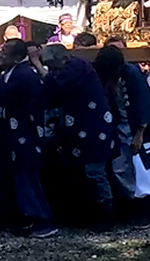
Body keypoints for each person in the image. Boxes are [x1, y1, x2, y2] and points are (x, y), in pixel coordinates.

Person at [32, 44, 117, 229]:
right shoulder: (75, 66)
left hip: (93, 126)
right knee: (81, 171)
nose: (51, 71)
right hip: (79, 127)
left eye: (52, 66)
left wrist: (37, 64)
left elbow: (52, 85)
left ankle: (107, 213)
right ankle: (90, 214)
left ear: (61, 60)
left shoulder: (76, 67)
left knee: (94, 171)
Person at [0, 39, 57, 238]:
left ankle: (43, 220)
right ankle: (31, 218)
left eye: (5, 53)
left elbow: (1, 95)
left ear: (17, 57)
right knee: (22, 179)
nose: (1, 55)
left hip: (26, 134)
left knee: (28, 179)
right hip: (17, 133)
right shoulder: (16, 73)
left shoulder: (23, 75)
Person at [95, 39, 150, 223]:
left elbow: (144, 103)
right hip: (120, 126)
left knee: (142, 169)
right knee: (121, 167)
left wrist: (140, 133)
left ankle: (145, 209)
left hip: (139, 127)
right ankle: (130, 204)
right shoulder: (108, 76)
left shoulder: (131, 73)